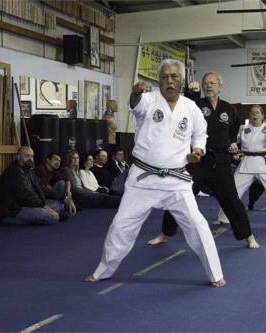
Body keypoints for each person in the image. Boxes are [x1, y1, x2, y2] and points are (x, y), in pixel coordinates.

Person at [85, 59, 226, 287]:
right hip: (144, 178)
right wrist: (134, 92)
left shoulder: (191, 109)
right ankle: (103, 270)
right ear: (159, 80)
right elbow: (135, 105)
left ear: (182, 81)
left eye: (174, 77)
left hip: (176, 180)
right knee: (121, 225)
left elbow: (200, 135)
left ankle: (215, 274)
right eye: (164, 77)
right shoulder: (148, 100)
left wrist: (197, 151)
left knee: (198, 226)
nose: (169, 81)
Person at [147, 71, 258, 249]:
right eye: (206, 83)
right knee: (178, 195)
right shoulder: (195, 105)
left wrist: (231, 144)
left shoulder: (229, 109)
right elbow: (184, 106)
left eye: (213, 83)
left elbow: (233, 130)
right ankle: (164, 233)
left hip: (221, 161)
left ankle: (248, 235)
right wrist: (191, 92)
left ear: (220, 86)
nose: (209, 86)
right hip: (197, 161)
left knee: (231, 199)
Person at [0, 146, 76, 224]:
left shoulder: (29, 171)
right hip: (13, 211)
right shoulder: (14, 172)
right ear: (18, 157)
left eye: (32, 156)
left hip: (29, 205)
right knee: (43, 214)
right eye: (27, 156)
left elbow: (43, 189)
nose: (30, 159)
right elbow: (25, 195)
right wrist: (46, 207)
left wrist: (64, 199)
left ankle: (49, 215)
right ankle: (50, 216)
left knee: (57, 204)